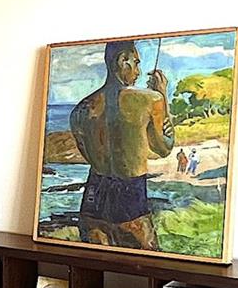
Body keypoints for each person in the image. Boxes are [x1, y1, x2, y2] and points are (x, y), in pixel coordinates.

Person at [67, 40, 173, 249]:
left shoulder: (81, 109)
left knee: (94, 268)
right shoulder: (151, 100)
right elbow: (164, 147)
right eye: (136, 63)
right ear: (123, 61)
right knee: (148, 269)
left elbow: (86, 153)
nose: (139, 71)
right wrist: (163, 96)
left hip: (92, 199)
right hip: (130, 197)